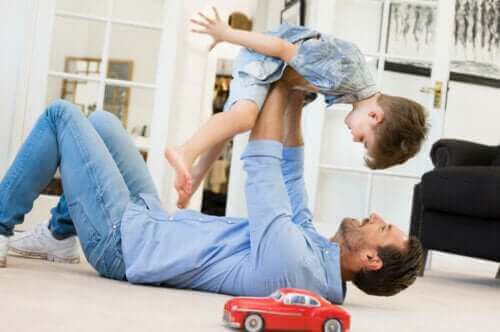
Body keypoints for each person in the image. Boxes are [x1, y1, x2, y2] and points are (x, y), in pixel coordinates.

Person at [0, 82, 423, 303]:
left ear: (370, 260)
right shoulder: (316, 251)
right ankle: (59, 236)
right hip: (152, 219)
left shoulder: (296, 268)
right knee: (106, 122)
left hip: (124, 243)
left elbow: (264, 169)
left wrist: (276, 87)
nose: (372, 215)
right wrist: (295, 98)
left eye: (381, 227)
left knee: (61, 116)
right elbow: (291, 175)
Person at [165, 7, 428, 209]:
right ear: (375, 116)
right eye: (364, 140)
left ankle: (197, 174)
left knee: (235, 121)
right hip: (264, 58)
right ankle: (185, 151)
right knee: (243, 118)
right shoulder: (345, 77)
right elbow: (281, 48)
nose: (355, 138)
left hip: (274, 66)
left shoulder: (351, 89)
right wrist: (228, 35)